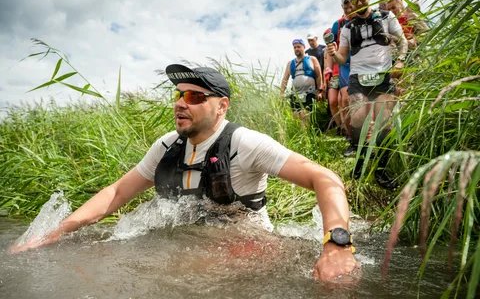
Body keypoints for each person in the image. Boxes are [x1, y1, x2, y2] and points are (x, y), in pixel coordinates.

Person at [10, 63, 358, 281]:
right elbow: (117, 193)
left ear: (221, 106)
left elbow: (324, 179)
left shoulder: (245, 143)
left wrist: (336, 245)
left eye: (194, 96)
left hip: (248, 243)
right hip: (192, 238)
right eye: (178, 95)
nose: (180, 102)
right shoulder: (166, 146)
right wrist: (57, 232)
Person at [326, 0, 408, 189]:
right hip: (358, 78)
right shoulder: (347, 27)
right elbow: (342, 57)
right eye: (355, 0)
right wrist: (333, 52)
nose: (359, 2)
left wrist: (400, 60)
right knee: (357, 117)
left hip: (382, 76)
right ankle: (362, 158)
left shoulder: (387, 16)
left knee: (384, 121)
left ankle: (382, 168)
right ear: (351, 3)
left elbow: (403, 42)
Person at [324, 0, 356, 156]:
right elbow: (330, 50)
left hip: (365, 63)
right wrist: (328, 69)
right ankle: (351, 139)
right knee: (344, 101)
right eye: (346, 7)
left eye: (352, 6)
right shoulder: (338, 25)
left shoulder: (367, 19)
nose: (350, 10)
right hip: (345, 64)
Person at [280, 39, 325, 125]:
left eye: (299, 47)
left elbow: (319, 75)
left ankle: (307, 136)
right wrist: (281, 93)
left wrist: (320, 91)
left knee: (305, 115)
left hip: (309, 92)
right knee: (296, 117)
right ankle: (301, 135)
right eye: (294, 47)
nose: (296, 49)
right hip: (295, 93)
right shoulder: (290, 63)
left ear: (304, 47)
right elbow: (285, 79)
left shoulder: (312, 59)